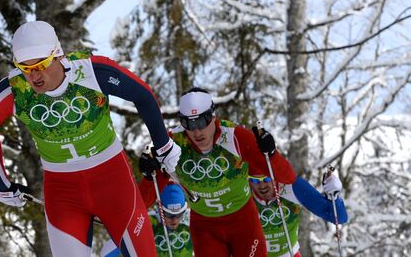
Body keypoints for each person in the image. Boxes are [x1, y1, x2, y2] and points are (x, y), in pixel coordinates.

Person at [0, 20, 181, 256]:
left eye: (40, 64)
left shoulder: (90, 72)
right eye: (25, 67)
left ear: (58, 55)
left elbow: (142, 94)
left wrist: (163, 144)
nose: (34, 75)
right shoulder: (16, 89)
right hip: (63, 192)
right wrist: (1, 183)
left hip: (113, 182)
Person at [139, 87, 297, 257]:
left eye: (201, 122)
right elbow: (144, 201)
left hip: (243, 222)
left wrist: (272, 153)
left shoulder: (235, 137)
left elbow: (287, 177)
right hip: (205, 227)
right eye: (188, 124)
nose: (196, 131)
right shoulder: (173, 144)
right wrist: (149, 176)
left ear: (212, 116)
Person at [249, 170, 348, 257]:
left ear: (274, 175)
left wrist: (334, 197)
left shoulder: (292, 186)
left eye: (266, 179)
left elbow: (339, 218)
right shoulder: (243, 191)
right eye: (254, 180)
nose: (262, 185)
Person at [101, 183, 192, 257]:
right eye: (169, 215)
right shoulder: (146, 222)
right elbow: (107, 253)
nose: (174, 220)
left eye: (179, 214)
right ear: (160, 210)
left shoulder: (191, 221)